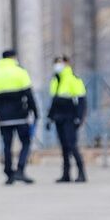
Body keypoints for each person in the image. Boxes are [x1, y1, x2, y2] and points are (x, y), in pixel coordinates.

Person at [0, 48, 39, 186]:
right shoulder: (20, 72)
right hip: (21, 115)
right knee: (25, 142)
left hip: (3, 118)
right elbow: (29, 94)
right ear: (14, 57)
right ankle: (20, 169)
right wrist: (35, 111)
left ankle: (9, 172)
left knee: (6, 145)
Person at [47, 55, 89, 183]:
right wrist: (49, 118)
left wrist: (79, 118)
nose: (58, 66)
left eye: (60, 63)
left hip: (70, 118)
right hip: (59, 118)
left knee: (72, 145)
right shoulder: (55, 80)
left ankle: (81, 172)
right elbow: (54, 101)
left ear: (67, 64)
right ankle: (66, 174)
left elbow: (81, 101)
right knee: (64, 146)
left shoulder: (73, 79)